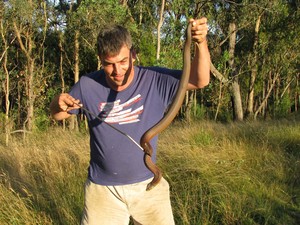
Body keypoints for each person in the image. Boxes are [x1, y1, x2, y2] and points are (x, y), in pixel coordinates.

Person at [50, 17, 210, 225]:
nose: (117, 71)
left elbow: (200, 80)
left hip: (149, 186)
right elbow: (58, 114)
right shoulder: (88, 85)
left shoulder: (154, 78)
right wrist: (58, 102)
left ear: (133, 55)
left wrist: (200, 42)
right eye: (109, 64)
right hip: (103, 190)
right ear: (100, 59)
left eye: (123, 61)